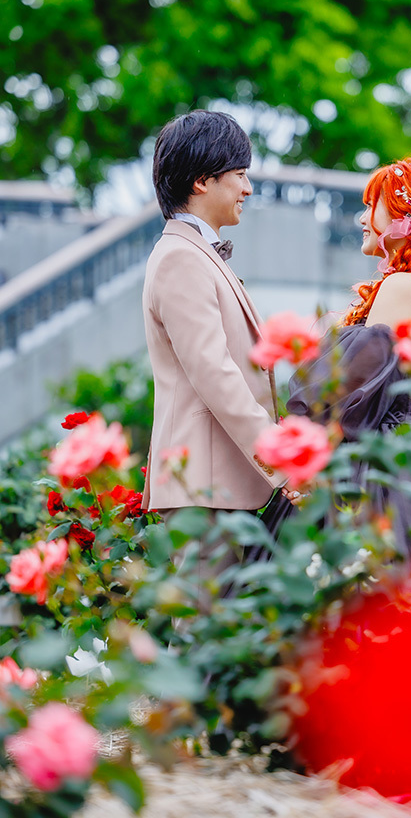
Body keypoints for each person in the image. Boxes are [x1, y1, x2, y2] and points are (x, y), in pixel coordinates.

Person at [263, 157, 411, 562]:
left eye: (373, 206)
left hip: (382, 464)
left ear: (401, 217)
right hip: (408, 456)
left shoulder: (403, 285)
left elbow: (348, 394)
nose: (361, 219)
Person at [141, 110, 286, 596]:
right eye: (240, 174)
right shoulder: (181, 257)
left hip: (219, 482)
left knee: (222, 640)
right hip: (205, 487)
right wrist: (281, 458)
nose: (248, 188)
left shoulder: (194, 253)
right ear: (203, 180)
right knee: (203, 637)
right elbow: (216, 375)